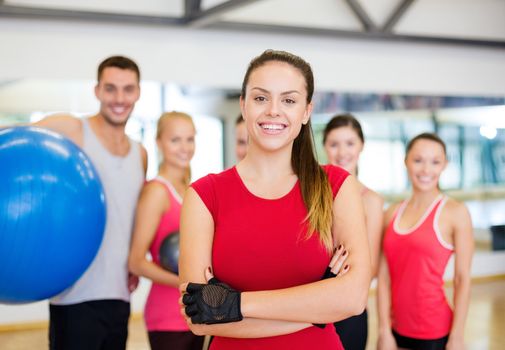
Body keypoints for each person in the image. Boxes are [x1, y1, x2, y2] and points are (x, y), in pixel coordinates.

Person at [178, 49, 371, 350]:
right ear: (243, 105)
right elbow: (199, 318)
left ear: (306, 111)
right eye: (260, 98)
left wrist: (236, 304)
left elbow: (354, 298)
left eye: (289, 100)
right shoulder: (204, 196)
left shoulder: (335, 187)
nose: (273, 111)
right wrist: (318, 306)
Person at [34, 56, 147, 350]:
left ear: (138, 92)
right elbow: (15, 139)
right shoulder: (73, 130)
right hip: (74, 295)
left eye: (128, 89)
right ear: (97, 91)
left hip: (119, 294)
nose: (119, 98)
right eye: (111, 89)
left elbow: (133, 217)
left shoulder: (140, 154)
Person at [377, 133, 474, 350]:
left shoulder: (455, 213)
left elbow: (462, 279)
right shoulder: (392, 213)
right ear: (406, 161)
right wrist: (384, 330)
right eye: (418, 160)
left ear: (445, 165)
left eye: (435, 162)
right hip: (396, 328)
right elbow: (383, 277)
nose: (426, 170)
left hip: (434, 331)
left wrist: (457, 337)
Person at [128, 112, 204, 350]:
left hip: (195, 313)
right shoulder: (157, 192)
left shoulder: (191, 189)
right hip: (167, 318)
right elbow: (137, 262)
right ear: (159, 142)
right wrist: (187, 282)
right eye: (175, 140)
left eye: (189, 139)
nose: (185, 147)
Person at [323, 114, 384, 350]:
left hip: (349, 310)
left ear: (361, 146)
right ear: (325, 146)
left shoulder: (371, 201)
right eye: (334, 144)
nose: (342, 152)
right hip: (306, 304)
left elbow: (370, 268)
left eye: (350, 143)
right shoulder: (309, 192)